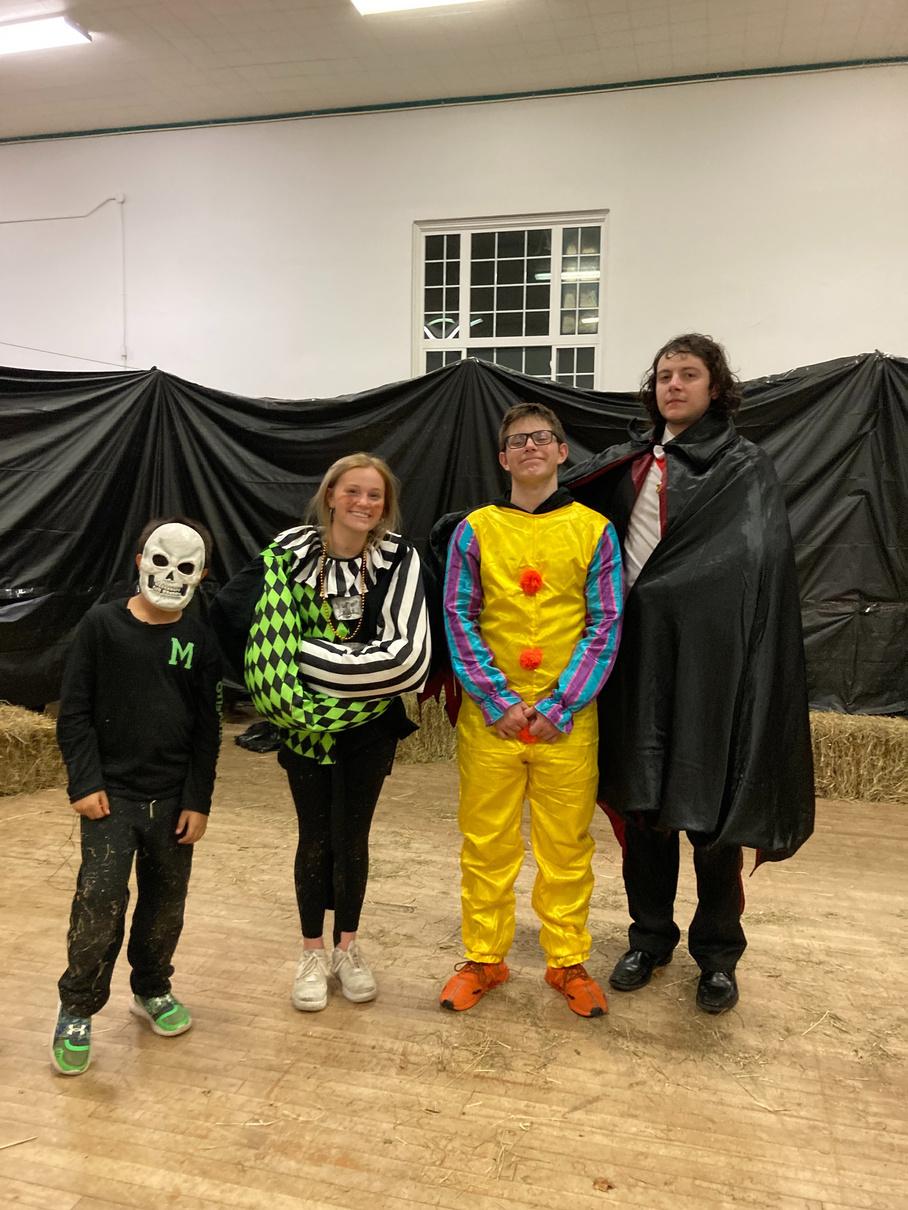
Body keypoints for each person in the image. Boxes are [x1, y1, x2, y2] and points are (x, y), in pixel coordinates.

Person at [565, 334, 815, 1014]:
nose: (673, 385)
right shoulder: (625, 464)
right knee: (643, 803)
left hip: (710, 661)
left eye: (688, 374)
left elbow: (751, 564)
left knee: (711, 809)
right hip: (635, 656)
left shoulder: (743, 466)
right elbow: (565, 527)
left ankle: (717, 955)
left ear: (715, 387)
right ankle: (649, 938)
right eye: (664, 375)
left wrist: (673, 594)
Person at [210, 453, 430, 1012]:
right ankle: (312, 953)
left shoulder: (398, 559)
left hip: (371, 728)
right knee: (314, 837)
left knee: (352, 838)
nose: (363, 503)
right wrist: (348, 667)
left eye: (374, 495)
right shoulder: (289, 554)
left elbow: (408, 664)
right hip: (300, 728)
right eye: (352, 491)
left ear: (386, 505)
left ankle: (347, 948)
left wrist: (294, 657)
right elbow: (234, 616)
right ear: (330, 495)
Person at [439, 403, 623, 1018]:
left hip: (566, 723)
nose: (530, 447)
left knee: (566, 845)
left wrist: (562, 703)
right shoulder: (475, 531)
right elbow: (459, 614)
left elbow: (605, 622)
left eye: (542, 438)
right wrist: (495, 699)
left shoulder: (595, 530)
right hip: (490, 721)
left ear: (562, 451)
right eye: (517, 441)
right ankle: (483, 957)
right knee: (486, 841)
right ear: (503, 458)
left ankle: (567, 960)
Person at [52, 519, 222, 1076]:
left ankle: (152, 986)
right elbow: (75, 711)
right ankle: (77, 1006)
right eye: (162, 561)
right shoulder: (102, 626)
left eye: (186, 567)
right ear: (140, 560)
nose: (171, 575)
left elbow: (207, 728)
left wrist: (197, 799)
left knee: (165, 902)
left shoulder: (198, 640)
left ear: (201, 575)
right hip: (111, 798)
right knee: (100, 900)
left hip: (172, 801)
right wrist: (85, 782)